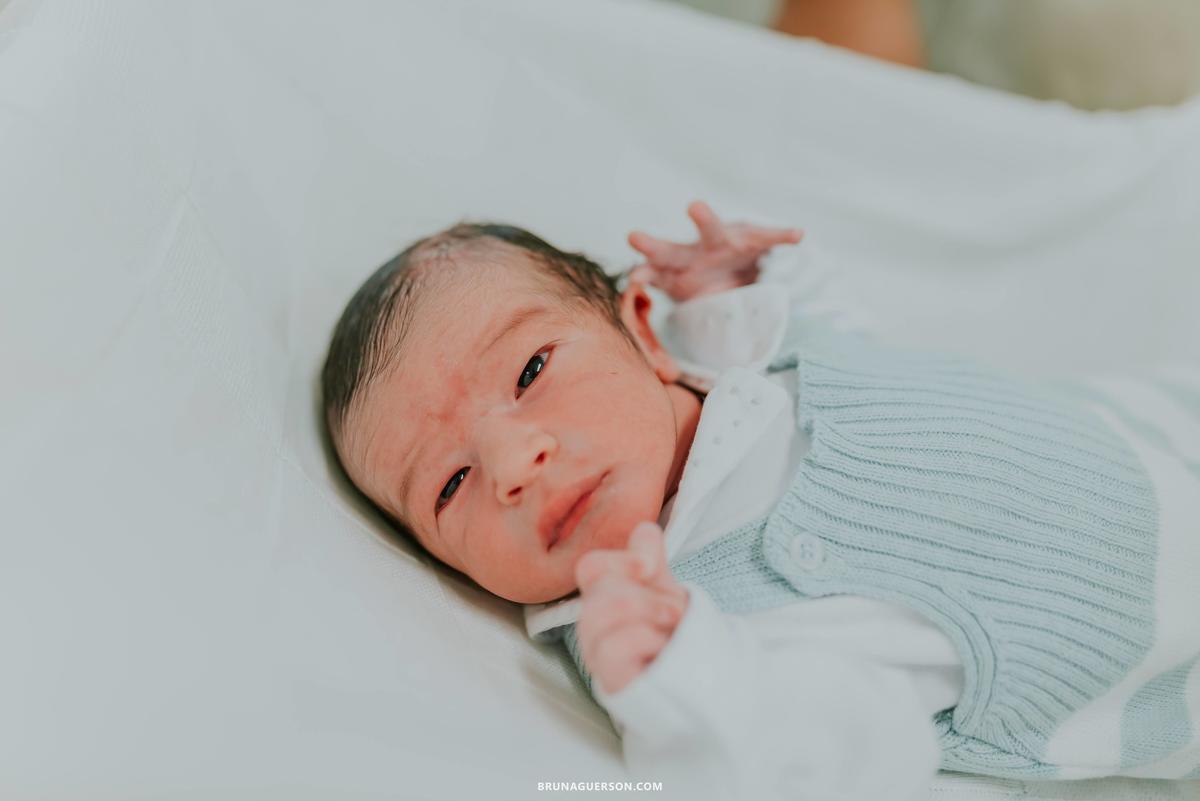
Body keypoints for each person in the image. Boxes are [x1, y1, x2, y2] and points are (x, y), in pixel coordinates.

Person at [321, 202, 1200, 800]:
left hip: (1140, 419)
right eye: (450, 484)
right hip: (1166, 652)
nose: (515, 459)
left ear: (640, 326)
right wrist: (689, 678)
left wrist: (738, 290)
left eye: (532, 370)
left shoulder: (741, 365)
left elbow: (856, 336)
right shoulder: (668, 626)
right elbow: (817, 751)